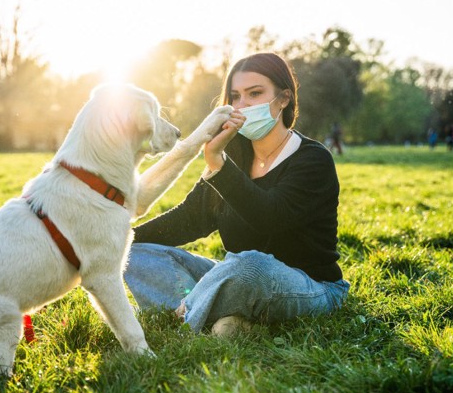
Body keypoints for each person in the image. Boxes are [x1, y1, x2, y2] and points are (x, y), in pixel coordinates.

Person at [124, 52, 350, 336]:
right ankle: (227, 320)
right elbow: (190, 218)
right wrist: (120, 239)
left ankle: (183, 315)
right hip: (237, 277)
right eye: (235, 96)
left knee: (250, 264)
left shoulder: (313, 160)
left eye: (254, 94)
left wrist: (217, 163)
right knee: (132, 252)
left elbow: (269, 217)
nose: (242, 106)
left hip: (310, 287)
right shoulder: (235, 152)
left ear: (284, 98)